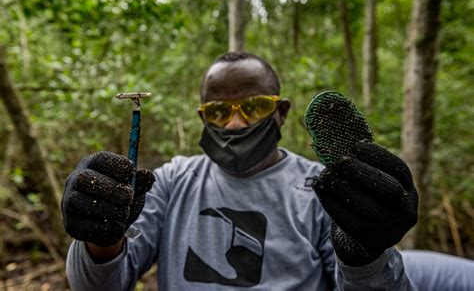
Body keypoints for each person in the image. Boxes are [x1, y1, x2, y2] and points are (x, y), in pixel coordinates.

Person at [62, 52, 474, 290]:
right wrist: (100, 239)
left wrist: (364, 251)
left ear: (280, 112)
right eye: (219, 112)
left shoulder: (324, 189)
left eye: (254, 106)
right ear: (202, 117)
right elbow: (96, 286)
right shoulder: (171, 183)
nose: (236, 123)